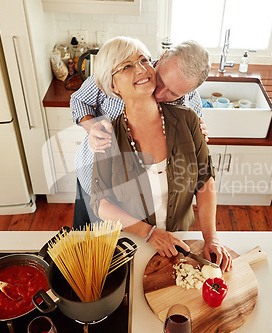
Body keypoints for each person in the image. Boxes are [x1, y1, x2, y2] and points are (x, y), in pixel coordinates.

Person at [89, 36, 232, 272]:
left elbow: (205, 181)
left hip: (182, 241)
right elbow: (100, 202)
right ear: (113, 85)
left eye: (144, 60)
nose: (142, 68)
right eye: (126, 66)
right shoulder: (106, 135)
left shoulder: (188, 121)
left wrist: (211, 238)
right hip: (134, 245)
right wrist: (151, 233)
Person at [70, 40, 209, 230]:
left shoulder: (190, 101)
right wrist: (92, 127)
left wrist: (199, 133)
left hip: (147, 194)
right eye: (161, 80)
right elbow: (78, 100)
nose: (159, 93)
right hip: (95, 176)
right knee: (88, 237)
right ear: (159, 60)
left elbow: (195, 147)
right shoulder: (120, 72)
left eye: (173, 93)